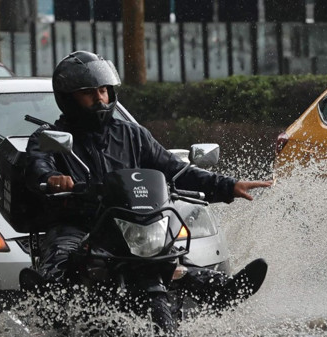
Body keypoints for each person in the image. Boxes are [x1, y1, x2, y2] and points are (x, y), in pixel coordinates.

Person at [24, 51, 272, 310]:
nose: (99, 98)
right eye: (88, 92)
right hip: (77, 222)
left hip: (128, 223)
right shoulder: (50, 137)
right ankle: (47, 306)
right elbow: (38, 166)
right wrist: (52, 179)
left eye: (103, 90)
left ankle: (222, 290)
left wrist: (228, 186)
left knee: (170, 258)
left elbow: (174, 169)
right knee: (61, 259)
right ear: (68, 98)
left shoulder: (132, 135)